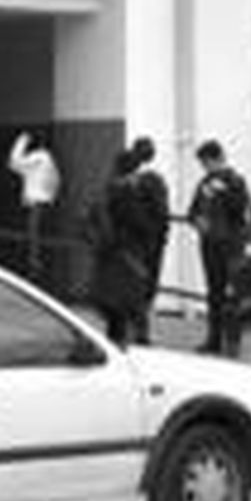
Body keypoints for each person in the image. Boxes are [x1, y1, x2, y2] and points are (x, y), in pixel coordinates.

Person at [187, 139, 251, 356]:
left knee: (233, 295)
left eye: (208, 162)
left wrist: (224, 191)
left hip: (232, 247)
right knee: (214, 293)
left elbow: (241, 209)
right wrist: (197, 220)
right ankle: (213, 339)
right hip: (209, 245)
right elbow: (192, 211)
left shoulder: (236, 181)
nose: (206, 168)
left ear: (219, 159)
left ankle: (233, 341)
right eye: (203, 164)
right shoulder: (204, 183)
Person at [88, 150, 151, 346]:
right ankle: (130, 345)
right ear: (133, 171)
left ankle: (113, 344)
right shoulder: (128, 194)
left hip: (106, 255)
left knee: (113, 311)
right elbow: (141, 224)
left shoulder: (105, 190)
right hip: (127, 256)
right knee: (129, 306)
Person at [126, 136, 171, 344]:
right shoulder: (156, 180)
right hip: (152, 241)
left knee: (134, 285)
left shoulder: (128, 179)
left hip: (133, 242)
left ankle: (135, 329)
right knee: (147, 287)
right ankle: (141, 331)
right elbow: (162, 213)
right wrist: (162, 237)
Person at [7, 131, 60, 282]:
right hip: (43, 205)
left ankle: (34, 271)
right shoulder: (47, 162)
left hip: (36, 205)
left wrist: (21, 140)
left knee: (34, 244)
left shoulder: (39, 158)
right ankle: (36, 271)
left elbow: (14, 162)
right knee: (37, 243)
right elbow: (56, 182)